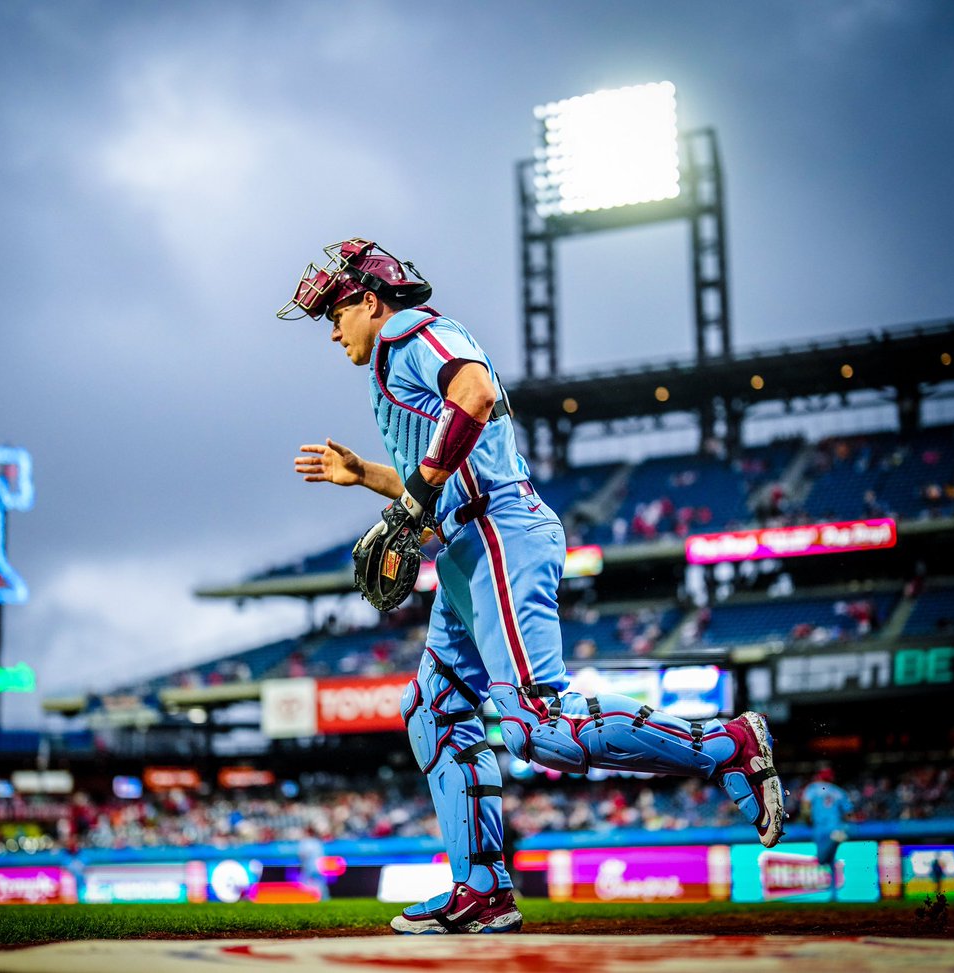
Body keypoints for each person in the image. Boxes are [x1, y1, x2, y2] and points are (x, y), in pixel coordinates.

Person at [279, 238, 786, 934]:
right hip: (470, 540)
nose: (332, 329)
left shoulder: (408, 332)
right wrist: (370, 475)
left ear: (370, 299)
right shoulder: (397, 358)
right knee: (433, 709)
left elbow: (476, 394)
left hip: (498, 536)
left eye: (335, 312)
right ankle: (482, 887)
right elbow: (445, 476)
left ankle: (724, 743)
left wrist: (408, 501)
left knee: (536, 724)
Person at [801, 766, 854, 901]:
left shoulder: (813, 788)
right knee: (831, 862)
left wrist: (807, 820)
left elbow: (806, 808)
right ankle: (834, 893)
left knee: (822, 859)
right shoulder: (838, 791)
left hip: (820, 827)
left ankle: (833, 841)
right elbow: (848, 812)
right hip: (835, 826)